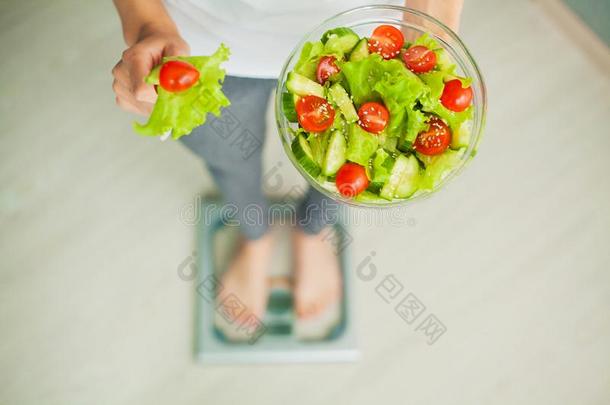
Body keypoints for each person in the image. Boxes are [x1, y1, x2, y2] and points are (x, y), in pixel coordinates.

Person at [111, 0, 464, 336]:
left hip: (365, 35)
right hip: (198, 37)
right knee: (228, 160)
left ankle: (312, 230)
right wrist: (147, 23)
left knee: (357, 166)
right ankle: (255, 235)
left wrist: (431, 28)